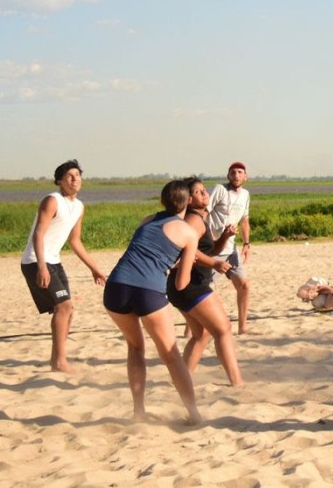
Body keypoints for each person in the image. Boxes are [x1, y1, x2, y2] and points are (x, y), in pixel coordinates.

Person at [102, 180, 203, 424]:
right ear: (189, 201)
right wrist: (176, 265)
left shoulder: (146, 220)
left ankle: (139, 411)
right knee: (171, 355)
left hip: (116, 287)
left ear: (162, 201)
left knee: (136, 348)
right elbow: (181, 283)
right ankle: (194, 413)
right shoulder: (189, 233)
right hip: (148, 290)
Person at [19, 159, 108, 373]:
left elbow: (75, 241)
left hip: (54, 260)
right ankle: (59, 362)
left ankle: (56, 360)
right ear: (60, 180)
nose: (75, 179)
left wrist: (94, 267)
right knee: (64, 306)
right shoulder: (52, 200)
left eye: (78, 175)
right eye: (70, 175)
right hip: (35, 261)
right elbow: (39, 233)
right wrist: (41, 266)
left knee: (68, 310)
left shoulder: (78, 206)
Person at [165, 176, 244, 386]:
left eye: (204, 190)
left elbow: (210, 249)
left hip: (185, 286)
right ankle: (236, 382)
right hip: (189, 284)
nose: (205, 193)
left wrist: (225, 238)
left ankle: (183, 380)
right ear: (188, 200)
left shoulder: (201, 218)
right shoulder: (193, 220)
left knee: (202, 334)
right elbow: (187, 249)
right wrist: (214, 264)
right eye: (198, 192)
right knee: (223, 329)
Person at [208, 162, 255, 334]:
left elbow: (244, 220)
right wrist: (208, 237)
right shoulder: (220, 189)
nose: (236, 175)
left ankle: (243, 328)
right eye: (233, 172)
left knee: (244, 285)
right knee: (204, 289)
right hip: (215, 248)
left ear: (245, 176)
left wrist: (247, 243)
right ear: (228, 175)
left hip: (232, 247)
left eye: (240, 172)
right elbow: (204, 212)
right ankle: (190, 332)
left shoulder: (246, 195)